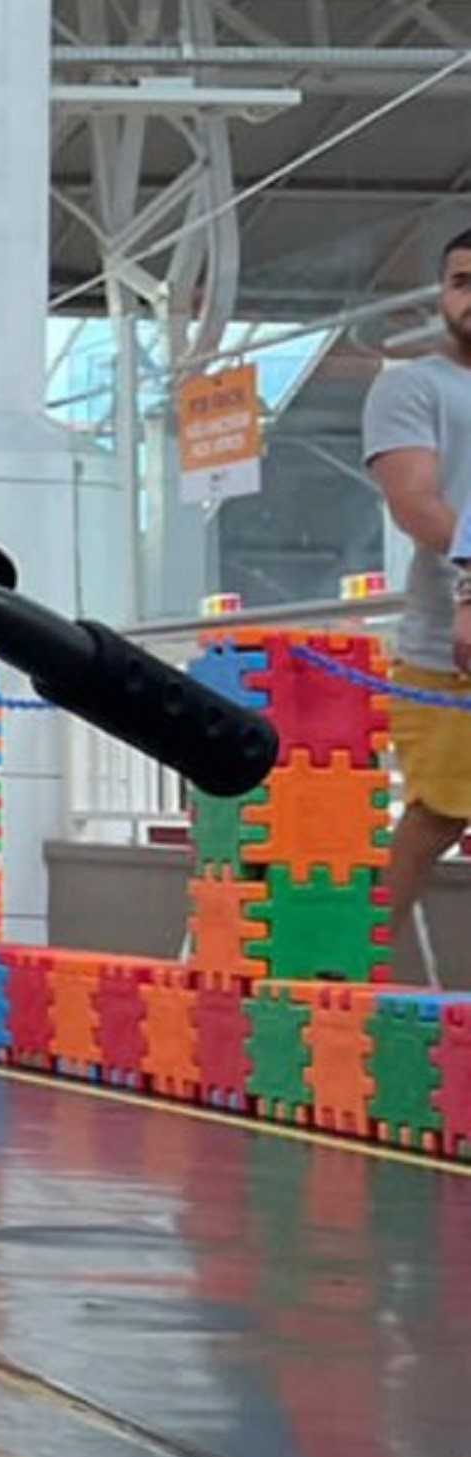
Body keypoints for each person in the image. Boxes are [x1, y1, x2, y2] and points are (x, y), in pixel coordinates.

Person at [362, 223, 471, 982]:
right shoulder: (411, 385)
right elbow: (416, 503)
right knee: (437, 811)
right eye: (461, 280)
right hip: (443, 651)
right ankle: (346, 974)